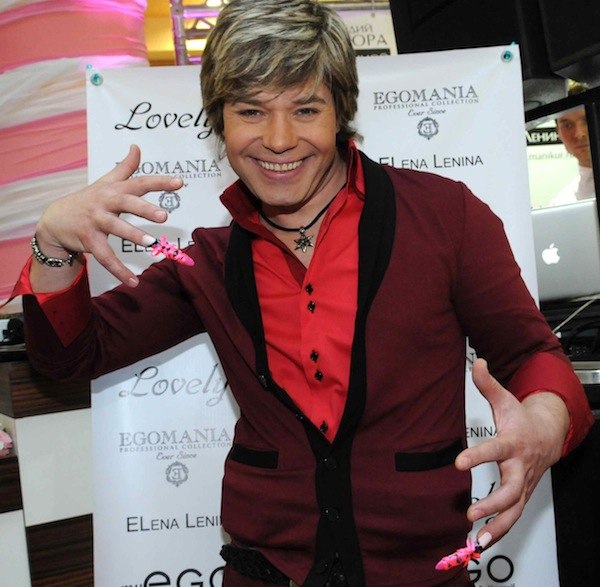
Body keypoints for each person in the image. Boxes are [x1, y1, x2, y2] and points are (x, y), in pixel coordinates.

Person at [10, 1, 593, 585]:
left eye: (305, 109)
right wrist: (52, 243)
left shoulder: (446, 217)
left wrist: (544, 427)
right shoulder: (208, 261)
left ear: (340, 112)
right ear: (220, 122)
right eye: (251, 111)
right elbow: (70, 354)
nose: (279, 139)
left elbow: (531, 354)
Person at [549, 105, 596, 206]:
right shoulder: (560, 204)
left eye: (587, 120)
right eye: (568, 125)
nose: (579, 134)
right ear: (558, 132)